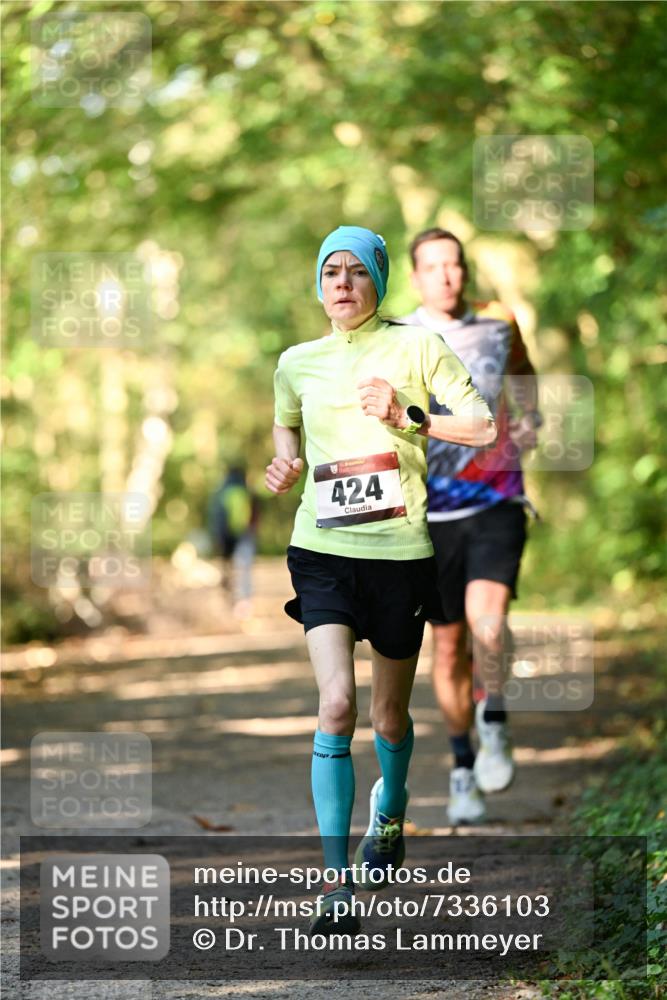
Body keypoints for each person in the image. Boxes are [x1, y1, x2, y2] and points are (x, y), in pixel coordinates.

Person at [266, 225, 496, 934]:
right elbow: (284, 430)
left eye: (355, 272)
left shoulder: (418, 346)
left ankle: (389, 808)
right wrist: (285, 464)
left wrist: (407, 415)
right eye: (329, 272)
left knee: (387, 717)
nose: (341, 283)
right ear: (317, 284)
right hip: (322, 552)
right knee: (335, 704)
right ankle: (336, 885)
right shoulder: (296, 362)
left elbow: (483, 428)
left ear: (377, 280)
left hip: (399, 555)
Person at [401, 228, 541, 825]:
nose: (445, 276)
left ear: (464, 269)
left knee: (490, 625)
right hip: (428, 516)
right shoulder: (398, 338)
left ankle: (496, 717)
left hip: (496, 500)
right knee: (450, 644)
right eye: (431, 267)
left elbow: (524, 373)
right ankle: (462, 768)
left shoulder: (497, 321)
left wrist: (530, 418)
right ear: (415, 277)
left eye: (453, 264)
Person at [208, 465, 259, 618]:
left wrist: (217, 539)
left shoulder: (221, 493)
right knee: (244, 571)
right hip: (245, 537)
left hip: (225, 540)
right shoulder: (248, 493)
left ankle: (228, 599)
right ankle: (244, 603)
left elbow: (215, 519)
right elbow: (255, 516)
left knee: (227, 571)